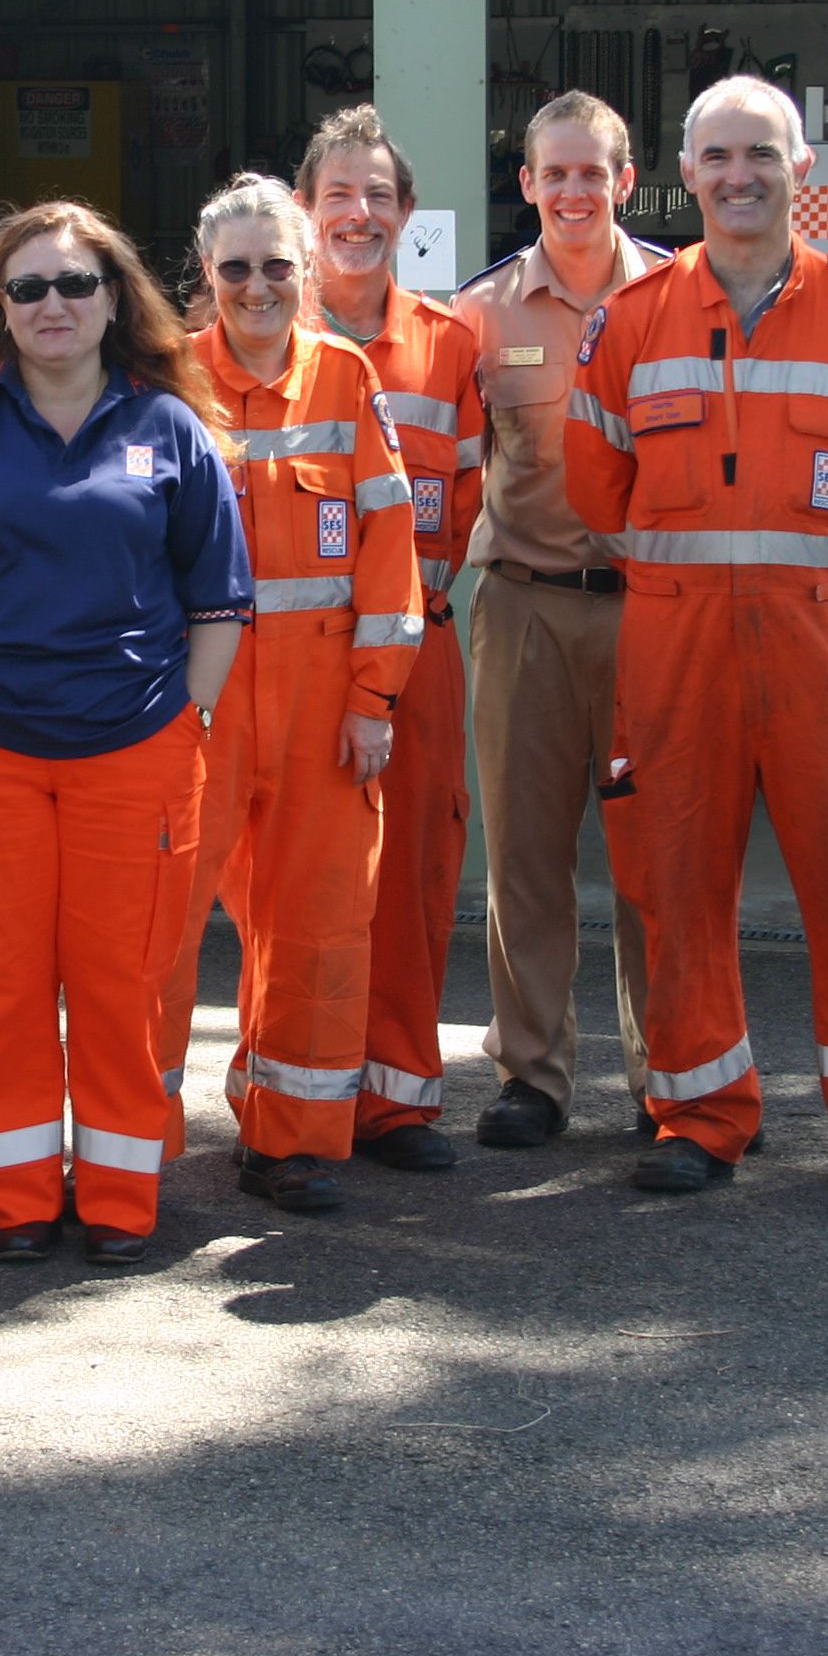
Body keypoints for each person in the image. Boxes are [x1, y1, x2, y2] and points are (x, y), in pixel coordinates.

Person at [562, 75, 828, 1203]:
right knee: (676, 882)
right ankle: (699, 1112)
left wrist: (812, 578)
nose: (741, 176)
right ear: (686, 174)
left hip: (821, 640)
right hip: (675, 646)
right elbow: (597, 481)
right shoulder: (630, 324)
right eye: (720, 155)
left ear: (802, 169)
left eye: (762, 154)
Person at [0, 201, 249, 1268]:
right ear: (0, 308)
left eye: (75, 284)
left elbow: (221, 597)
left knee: (121, 978)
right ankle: (21, 1198)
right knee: (6, 979)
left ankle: (122, 1199)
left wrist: (190, 722)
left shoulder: (167, 425)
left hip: (134, 749)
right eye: (26, 287)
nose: (52, 305)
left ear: (114, 297)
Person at [161, 174, 420, 1212]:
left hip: (322, 707)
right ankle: (136, 1136)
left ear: (306, 272)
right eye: (235, 268)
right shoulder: (166, 383)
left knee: (317, 922)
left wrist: (373, 700)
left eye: (278, 265)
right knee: (158, 923)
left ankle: (292, 1136)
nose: (258, 286)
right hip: (197, 702)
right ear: (206, 274)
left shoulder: (348, 381)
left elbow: (391, 553)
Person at [453, 89, 665, 1148]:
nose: (575, 191)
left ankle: (672, 1076)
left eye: (596, 173)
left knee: (658, 856)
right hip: (525, 608)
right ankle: (532, 1074)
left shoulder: (682, 297)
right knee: (527, 855)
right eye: (556, 173)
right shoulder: (479, 314)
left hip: (652, 616)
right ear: (527, 182)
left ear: (626, 182)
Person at [296, 107, 482, 1172]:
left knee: (413, 876)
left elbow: (464, 498)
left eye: (378, 196)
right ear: (306, 209)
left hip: (420, 651)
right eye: (338, 195)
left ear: (406, 214)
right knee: (295, 887)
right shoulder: (257, 329)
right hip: (296, 660)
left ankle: (399, 1099)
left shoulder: (450, 347)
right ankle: (292, 1094)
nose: (358, 214)